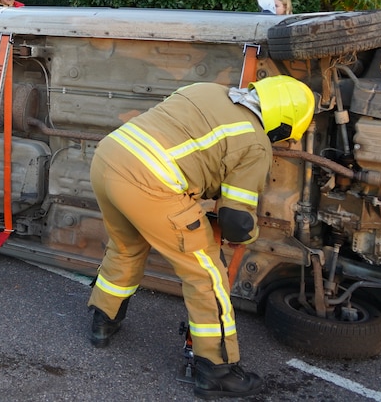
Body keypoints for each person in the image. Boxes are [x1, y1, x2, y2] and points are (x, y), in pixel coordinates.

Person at [87, 75, 315, 399]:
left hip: (109, 159)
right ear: (283, 125)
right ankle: (217, 371)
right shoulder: (255, 141)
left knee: (126, 247)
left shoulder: (207, 90)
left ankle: (102, 321)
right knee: (207, 276)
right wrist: (250, 235)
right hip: (153, 184)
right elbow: (236, 221)